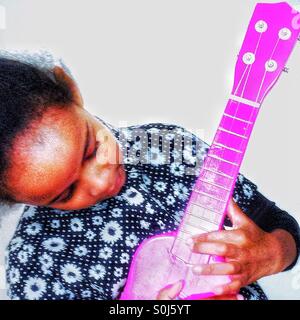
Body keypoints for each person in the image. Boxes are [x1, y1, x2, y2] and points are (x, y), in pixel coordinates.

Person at [0, 51, 299, 300]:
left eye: (91, 149)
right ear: (17, 198)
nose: (100, 182)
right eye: (65, 194)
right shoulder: (36, 264)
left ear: (73, 91)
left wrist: (273, 252)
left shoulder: (170, 146)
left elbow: (280, 226)